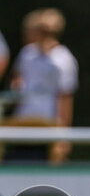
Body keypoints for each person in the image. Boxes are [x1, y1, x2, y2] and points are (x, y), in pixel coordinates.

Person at [5, 9, 78, 162]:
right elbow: (17, 77)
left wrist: (64, 136)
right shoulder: (27, 53)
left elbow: (65, 98)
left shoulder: (64, 59)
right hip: (23, 123)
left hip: (48, 125)